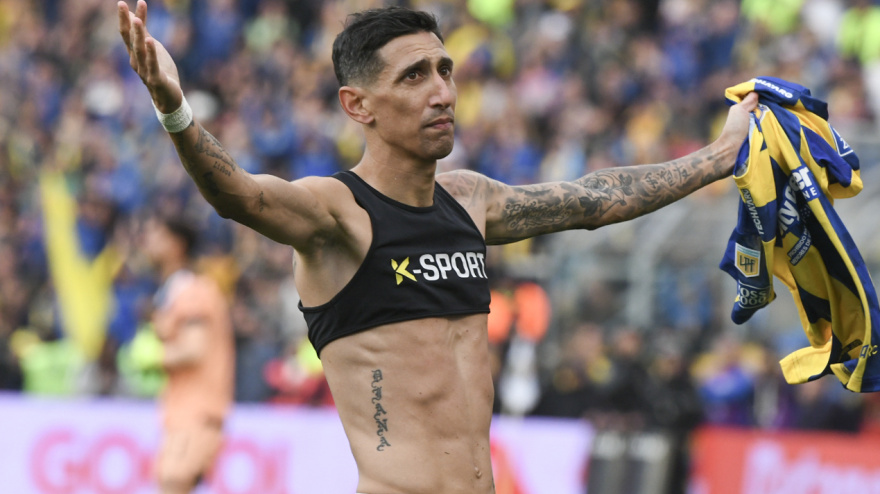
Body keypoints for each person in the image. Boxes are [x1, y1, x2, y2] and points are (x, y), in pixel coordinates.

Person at [118, 2, 757, 492]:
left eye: (445, 70)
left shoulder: (469, 200)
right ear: (357, 105)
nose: (443, 92)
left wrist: (721, 154)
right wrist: (174, 108)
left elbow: (594, 200)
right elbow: (239, 195)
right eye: (415, 76)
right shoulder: (337, 213)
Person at [143, 215, 234, 494]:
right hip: (181, 409)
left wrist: (150, 357)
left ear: (176, 245)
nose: (146, 241)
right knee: (170, 482)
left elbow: (194, 349)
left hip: (198, 409)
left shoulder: (193, 291)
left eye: (155, 234)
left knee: (173, 481)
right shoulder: (172, 291)